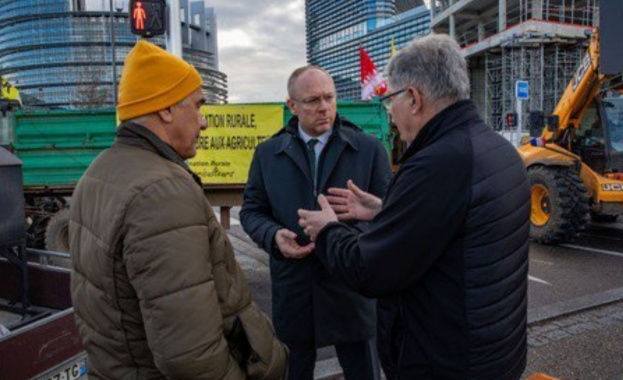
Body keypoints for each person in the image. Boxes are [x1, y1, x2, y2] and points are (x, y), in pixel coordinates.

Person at [297, 34, 530, 380]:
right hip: (495, 352)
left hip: (447, 364)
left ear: (414, 99)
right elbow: (454, 224)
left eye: (392, 98)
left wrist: (328, 229)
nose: (390, 112)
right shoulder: (496, 149)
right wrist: (386, 210)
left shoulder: (436, 164)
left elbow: (370, 269)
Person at [69, 40, 288, 380]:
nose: (204, 123)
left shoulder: (98, 172)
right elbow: (190, 356)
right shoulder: (161, 193)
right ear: (166, 109)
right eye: (198, 106)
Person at [239, 65, 391, 380]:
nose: (323, 107)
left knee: (364, 372)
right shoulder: (268, 154)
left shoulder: (368, 150)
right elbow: (251, 211)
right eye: (312, 101)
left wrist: (350, 240)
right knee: (294, 371)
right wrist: (273, 236)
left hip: (353, 287)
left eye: (329, 97)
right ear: (291, 106)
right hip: (295, 287)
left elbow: (390, 215)